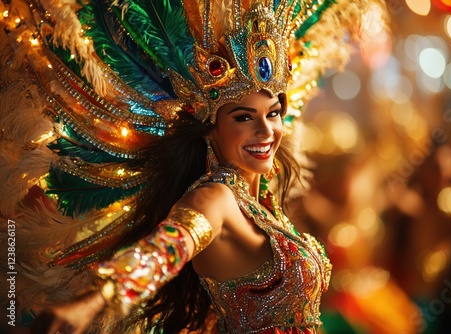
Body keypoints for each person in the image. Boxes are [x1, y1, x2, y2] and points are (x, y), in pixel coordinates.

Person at [0, 0, 385, 333]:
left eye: (273, 113)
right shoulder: (214, 198)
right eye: (243, 118)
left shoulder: (261, 202)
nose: (265, 130)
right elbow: (164, 249)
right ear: (210, 131)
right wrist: (96, 300)